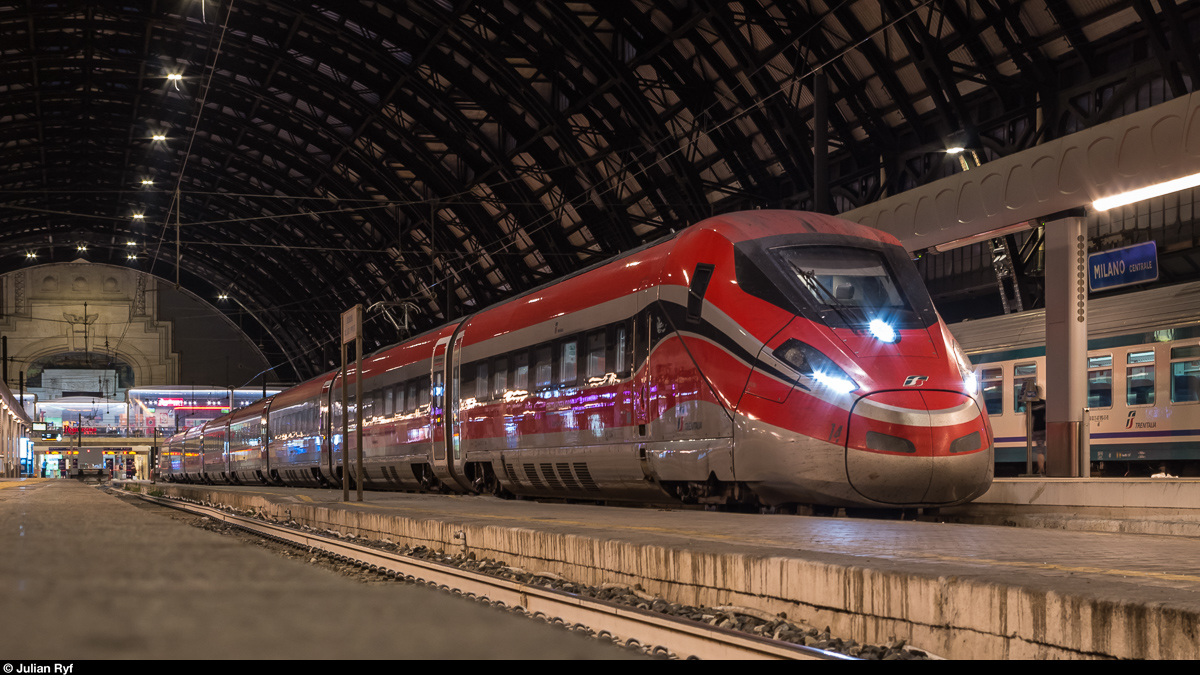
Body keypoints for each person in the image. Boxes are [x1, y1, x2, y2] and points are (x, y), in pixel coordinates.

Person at [1031, 397, 1047, 474]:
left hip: (1037, 429)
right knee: (1047, 448)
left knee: (1040, 450)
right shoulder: (1044, 403)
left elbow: (1030, 418)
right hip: (1045, 428)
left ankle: (1041, 469)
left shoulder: (1031, 404)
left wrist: (1030, 430)